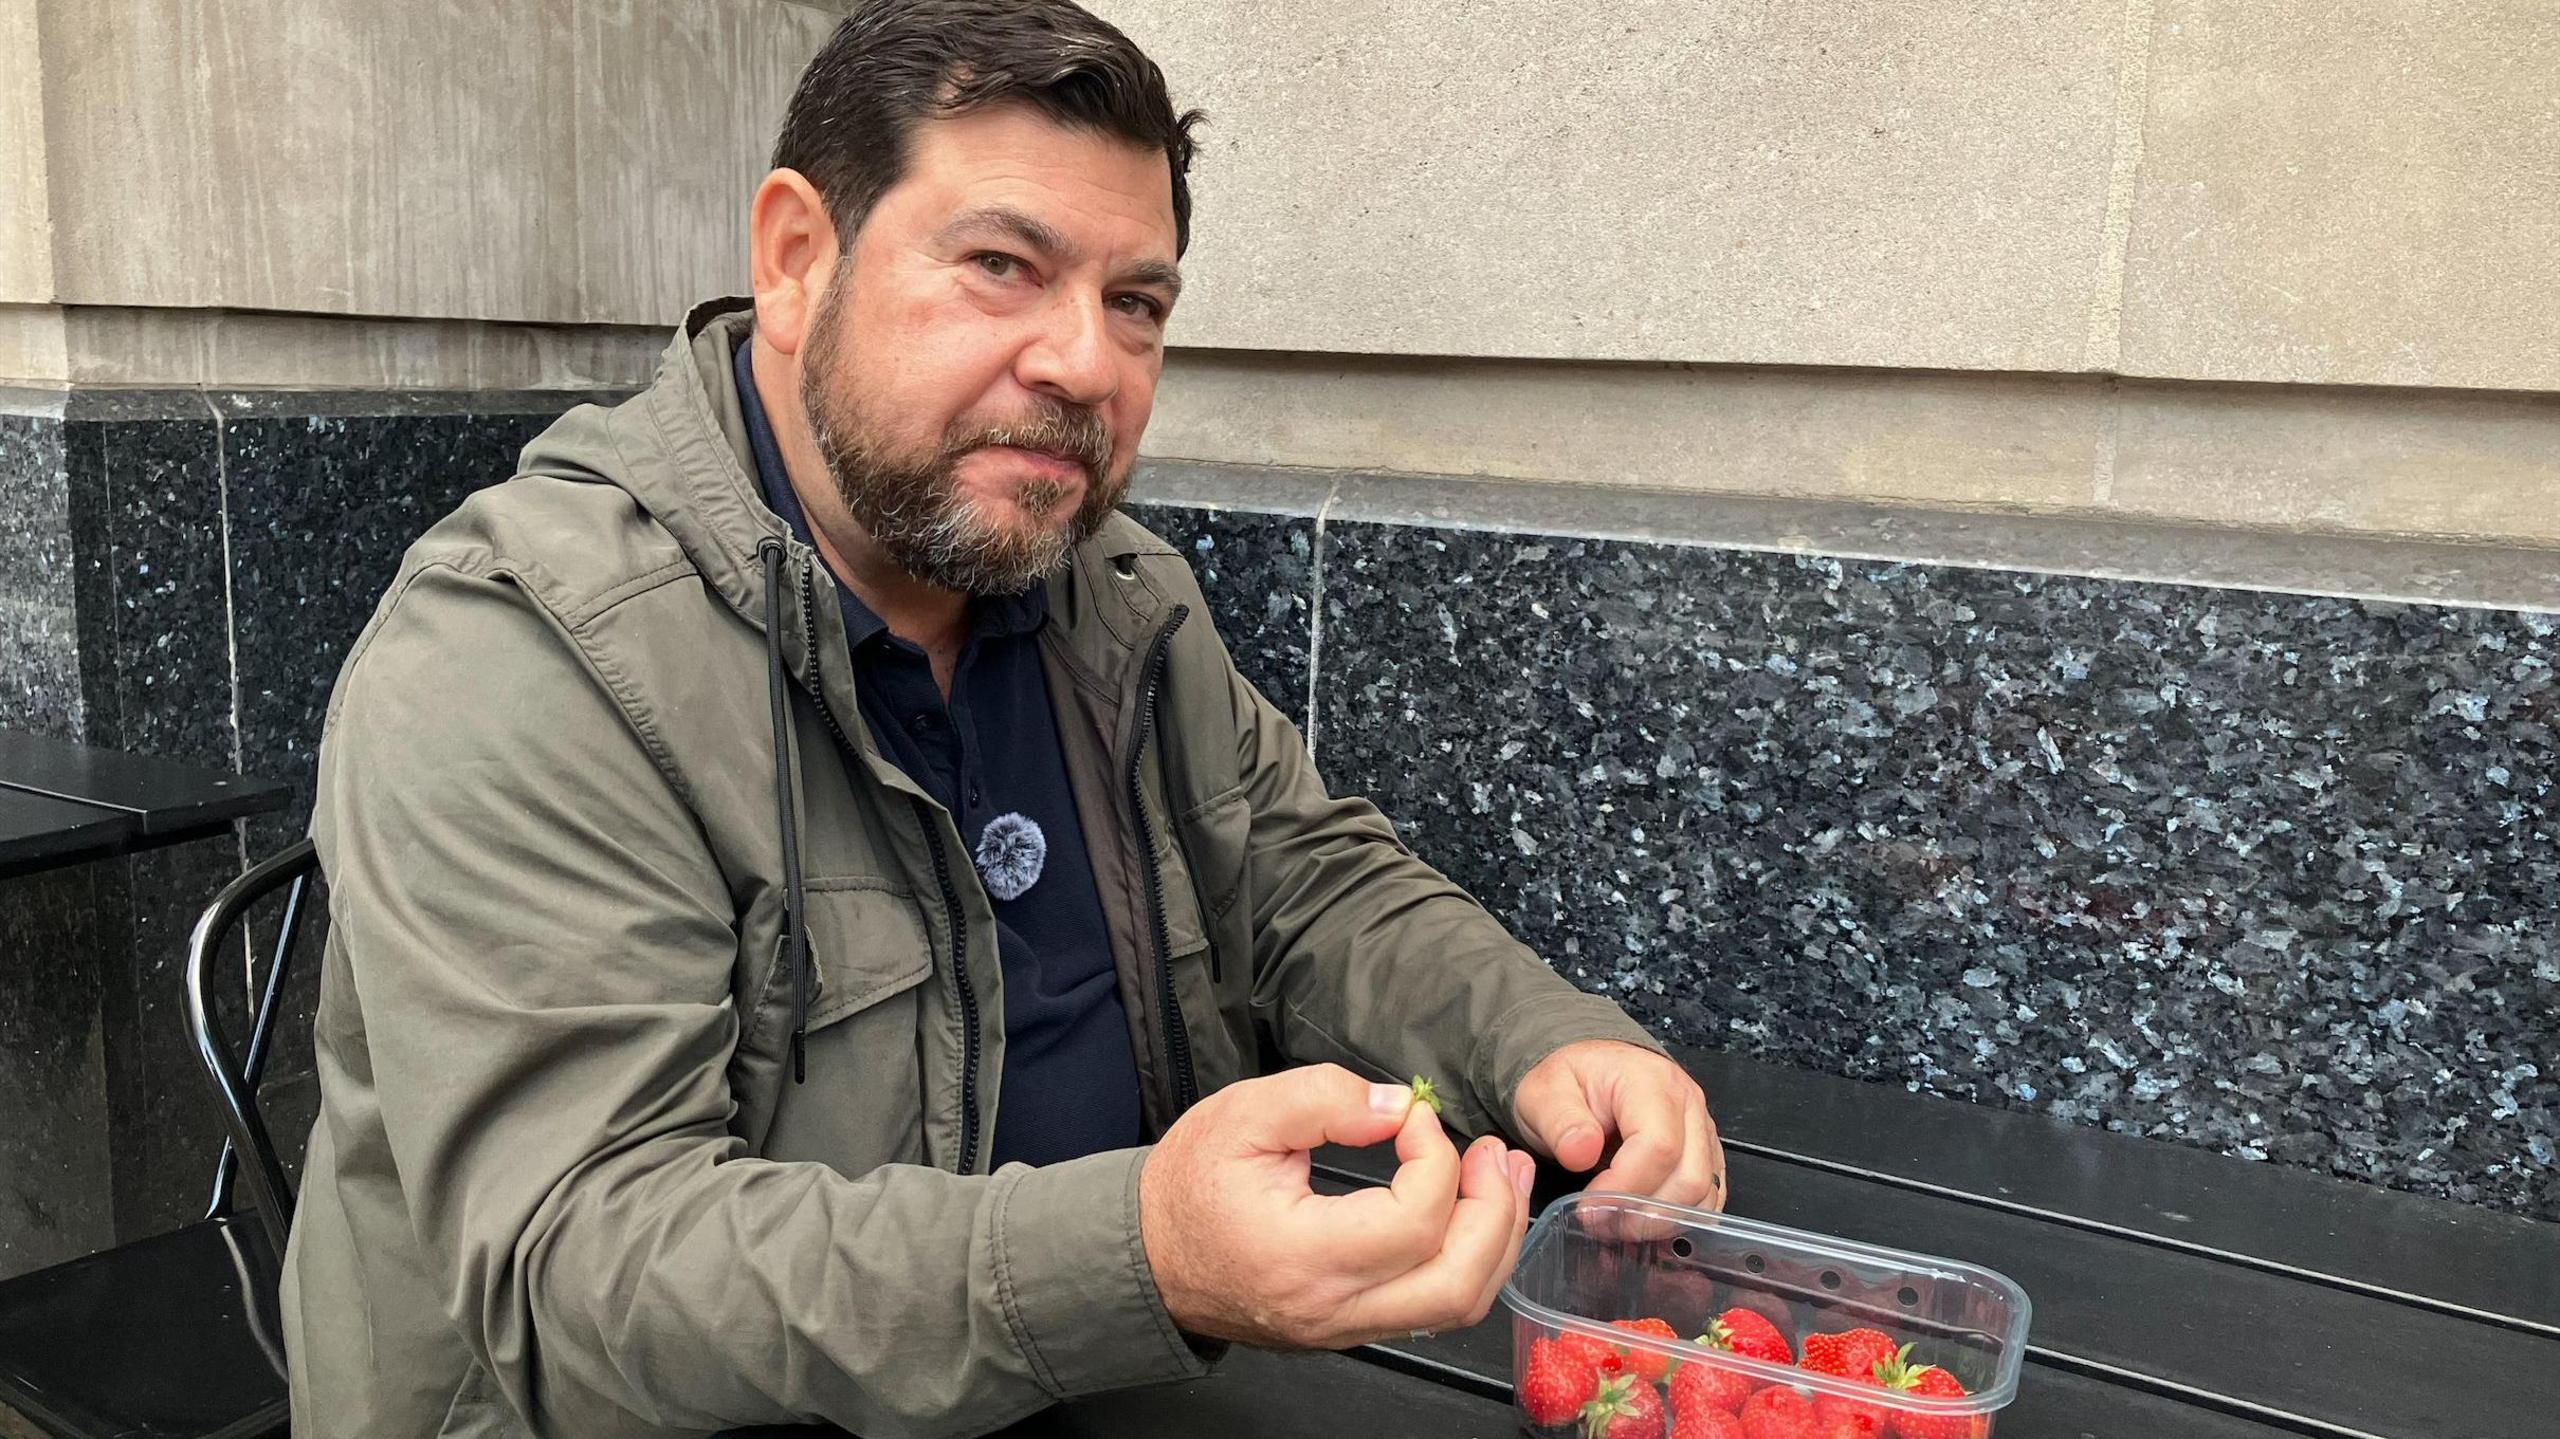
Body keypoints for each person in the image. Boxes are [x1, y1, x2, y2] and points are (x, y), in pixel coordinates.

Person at [284, 2, 1725, 1434]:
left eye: (1137, 305)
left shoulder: (1107, 593)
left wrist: (1545, 1042)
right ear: (796, 259)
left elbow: (1302, 878)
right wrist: (1143, 1254)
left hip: (1094, 1377)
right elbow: (584, 1272)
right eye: (1001, 267)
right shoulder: (528, 655)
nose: (1086, 365)